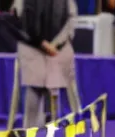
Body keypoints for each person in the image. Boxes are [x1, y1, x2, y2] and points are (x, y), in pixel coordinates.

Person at [12, 0, 81, 129]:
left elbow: (71, 21)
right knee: (35, 81)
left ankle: (60, 120)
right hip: (32, 46)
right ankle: (29, 127)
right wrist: (41, 44)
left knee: (58, 69)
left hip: (58, 46)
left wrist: (55, 44)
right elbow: (20, 23)